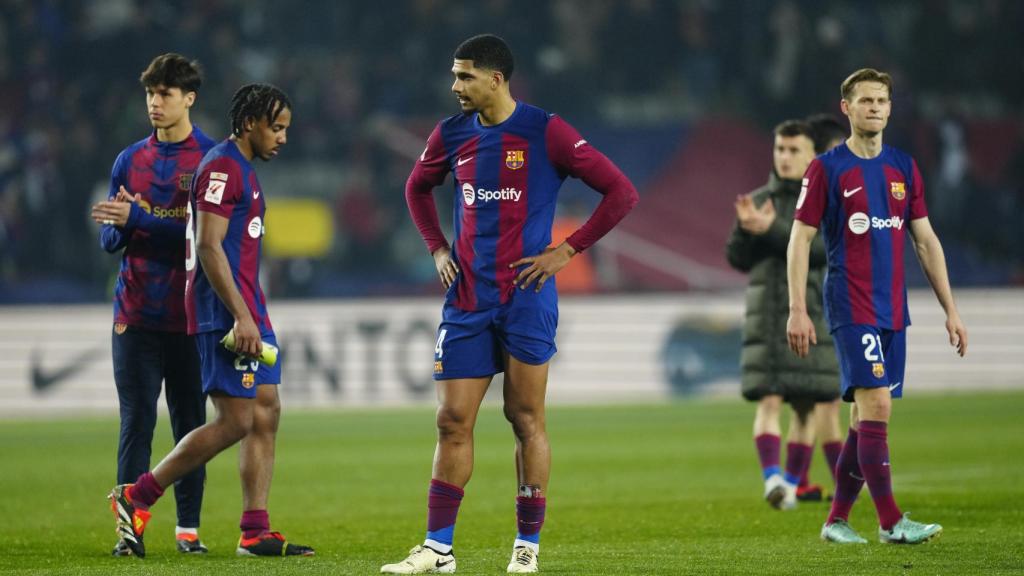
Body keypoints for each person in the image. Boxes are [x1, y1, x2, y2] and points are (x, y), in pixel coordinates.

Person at [381, 34, 638, 574]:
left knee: (524, 417)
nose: (455, 86)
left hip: (526, 299)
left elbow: (620, 192)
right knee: (452, 420)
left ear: (495, 79)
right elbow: (416, 187)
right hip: (468, 299)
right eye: (454, 76)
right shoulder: (450, 135)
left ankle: (526, 545)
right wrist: (436, 248)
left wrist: (567, 250)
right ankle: (438, 549)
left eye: (464, 76)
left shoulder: (546, 131)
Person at [108, 83, 314, 559]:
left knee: (266, 411)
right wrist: (240, 316)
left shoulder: (241, 168)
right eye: (276, 128)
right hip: (226, 313)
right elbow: (207, 244)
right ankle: (136, 497)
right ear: (249, 124)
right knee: (235, 420)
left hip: (248, 309)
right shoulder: (222, 166)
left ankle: (254, 531)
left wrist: (252, 311)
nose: (283, 138)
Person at [787, 68, 968, 544]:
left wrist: (950, 308)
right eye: (864, 100)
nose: (874, 108)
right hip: (849, 303)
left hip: (892, 310)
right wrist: (797, 308)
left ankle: (835, 521)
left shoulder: (904, 168)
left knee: (862, 418)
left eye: (882, 101)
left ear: (890, 108)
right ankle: (891, 522)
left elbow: (926, 242)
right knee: (878, 405)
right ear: (846, 108)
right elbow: (799, 239)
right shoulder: (826, 169)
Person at [91, 53, 214, 556]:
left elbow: (199, 239)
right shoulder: (128, 160)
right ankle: (129, 533)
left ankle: (188, 532)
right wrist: (120, 225)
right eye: (150, 94)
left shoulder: (209, 159)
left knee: (190, 424)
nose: (155, 103)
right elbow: (108, 239)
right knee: (136, 421)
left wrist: (139, 221)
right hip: (136, 314)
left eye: (165, 94)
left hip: (189, 315)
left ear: (189, 98)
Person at [726, 120, 839, 511]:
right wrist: (745, 230)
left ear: (811, 155)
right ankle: (773, 478)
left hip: (812, 311)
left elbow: (825, 252)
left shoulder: (826, 200)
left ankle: (791, 485)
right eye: (780, 150)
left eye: (794, 151)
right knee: (769, 399)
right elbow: (736, 259)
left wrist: (771, 228)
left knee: (806, 405)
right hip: (766, 314)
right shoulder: (758, 199)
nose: (785, 157)